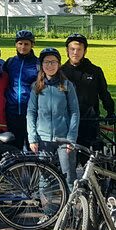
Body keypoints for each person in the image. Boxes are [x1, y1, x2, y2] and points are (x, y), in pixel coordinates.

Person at [27, 48, 80, 188]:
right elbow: (31, 113)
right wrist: (32, 137)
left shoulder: (67, 85)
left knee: (69, 176)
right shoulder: (36, 86)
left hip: (64, 139)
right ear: (41, 65)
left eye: (53, 62)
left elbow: (75, 112)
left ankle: (72, 208)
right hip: (43, 139)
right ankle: (49, 209)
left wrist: (71, 138)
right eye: (46, 62)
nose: (50, 65)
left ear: (59, 64)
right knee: (45, 179)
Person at [61, 34, 115, 153]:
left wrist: (110, 111)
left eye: (79, 49)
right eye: (72, 49)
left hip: (89, 120)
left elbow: (104, 93)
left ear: (85, 51)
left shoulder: (95, 71)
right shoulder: (61, 72)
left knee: (90, 161)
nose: (75, 52)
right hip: (67, 122)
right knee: (68, 160)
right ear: (67, 50)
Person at [4, 30, 40, 150]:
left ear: (32, 45)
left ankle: (31, 169)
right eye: (20, 43)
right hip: (12, 112)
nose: (23, 47)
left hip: (30, 113)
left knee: (32, 147)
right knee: (14, 148)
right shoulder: (10, 62)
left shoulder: (37, 64)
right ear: (16, 44)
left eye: (26, 44)